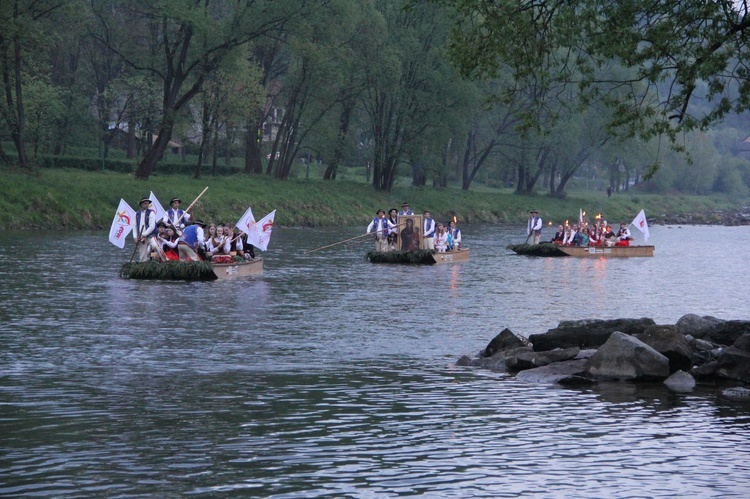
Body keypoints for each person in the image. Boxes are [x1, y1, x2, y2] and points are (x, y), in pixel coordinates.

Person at [133, 197, 159, 262]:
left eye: (147, 204)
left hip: (150, 235)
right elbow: (135, 227)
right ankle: (143, 266)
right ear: (141, 204)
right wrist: (135, 237)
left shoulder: (151, 213)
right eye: (145, 203)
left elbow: (152, 226)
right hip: (141, 237)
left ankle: (160, 260)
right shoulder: (136, 214)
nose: (147, 205)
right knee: (142, 255)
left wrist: (144, 234)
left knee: (155, 246)